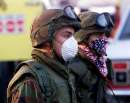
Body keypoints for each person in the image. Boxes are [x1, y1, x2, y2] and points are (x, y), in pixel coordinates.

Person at [7, 6, 81, 103]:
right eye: (67, 35)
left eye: (72, 36)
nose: (72, 42)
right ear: (46, 37)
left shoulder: (63, 70)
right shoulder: (30, 78)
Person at [69, 11, 114, 103]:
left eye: (105, 34)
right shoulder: (72, 67)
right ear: (83, 37)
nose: (103, 39)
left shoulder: (100, 63)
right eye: (98, 34)